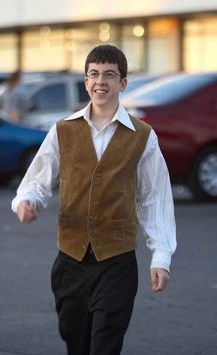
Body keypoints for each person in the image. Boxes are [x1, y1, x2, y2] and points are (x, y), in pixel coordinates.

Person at [12, 44, 176, 355]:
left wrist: (161, 257)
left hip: (117, 262)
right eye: (94, 74)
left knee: (105, 344)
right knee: (77, 342)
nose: (100, 81)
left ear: (122, 83)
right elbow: (36, 182)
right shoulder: (63, 130)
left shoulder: (143, 136)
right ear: (86, 81)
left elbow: (155, 199)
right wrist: (27, 201)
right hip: (70, 261)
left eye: (109, 75)